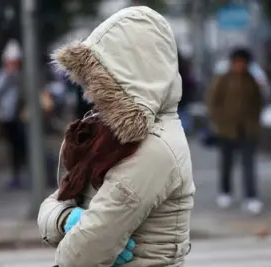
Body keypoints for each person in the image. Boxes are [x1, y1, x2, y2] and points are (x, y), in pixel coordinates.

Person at [38, 6, 195, 267]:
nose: (92, 91)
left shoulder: (155, 148)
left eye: (102, 78)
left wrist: (72, 223)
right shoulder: (108, 135)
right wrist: (66, 219)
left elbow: (85, 252)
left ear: (128, 76)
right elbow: (53, 203)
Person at [206, 48, 263, 215]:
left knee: (249, 165)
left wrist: (254, 123)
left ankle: (251, 197)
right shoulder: (222, 80)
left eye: (243, 62)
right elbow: (212, 101)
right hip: (227, 130)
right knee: (226, 163)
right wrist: (219, 120)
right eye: (237, 62)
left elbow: (258, 103)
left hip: (248, 130)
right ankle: (225, 192)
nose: (240, 66)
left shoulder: (252, 80)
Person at [0, 40, 27, 189]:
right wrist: (8, 77)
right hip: (7, 117)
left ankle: (23, 176)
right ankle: (15, 176)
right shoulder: (2, 76)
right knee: (12, 148)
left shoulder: (23, 75)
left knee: (22, 148)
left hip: (21, 117)